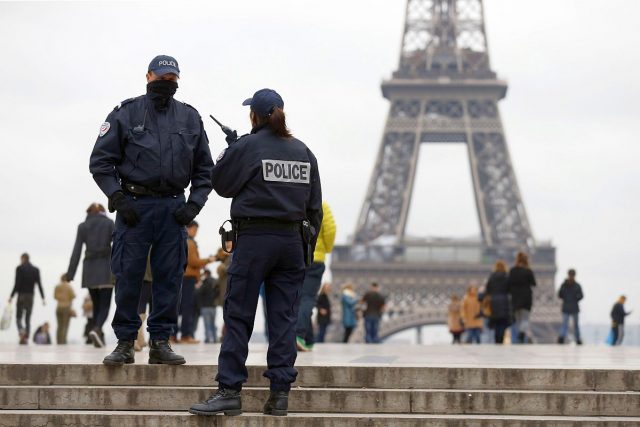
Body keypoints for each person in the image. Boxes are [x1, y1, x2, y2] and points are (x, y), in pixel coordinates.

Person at [189, 88, 322, 417]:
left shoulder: (249, 147)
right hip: (292, 243)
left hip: (255, 239)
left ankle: (230, 389)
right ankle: (279, 395)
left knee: (238, 315)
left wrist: (231, 151)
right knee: (284, 319)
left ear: (255, 116)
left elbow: (221, 185)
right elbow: (315, 209)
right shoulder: (304, 152)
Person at [89, 55, 214, 366]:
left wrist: (193, 206)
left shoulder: (190, 118)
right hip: (134, 207)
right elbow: (101, 162)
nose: (166, 83)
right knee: (128, 275)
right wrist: (117, 198)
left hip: (174, 208)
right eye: (161, 77)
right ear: (148, 76)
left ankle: (161, 341)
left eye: (171, 79)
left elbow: (205, 170)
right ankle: (125, 342)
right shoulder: (125, 113)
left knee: (170, 278)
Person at [66, 203, 114, 348]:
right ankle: (97, 329)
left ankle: (99, 334)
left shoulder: (83, 226)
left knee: (97, 305)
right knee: (105, 306)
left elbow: (77, 249)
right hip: (107, 268)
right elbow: (118, 244)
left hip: (90, 269)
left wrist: (70, 273)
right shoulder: (109, 223)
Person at [296, 201, 336, 351]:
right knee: (307, 298)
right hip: (315, 257)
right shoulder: (321, 204)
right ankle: (299, 334)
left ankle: (307, 339)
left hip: (294, 256)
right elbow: (330, 230)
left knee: (298, 297)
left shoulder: (292, 201)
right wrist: (326, 248)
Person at [179, 221, 216, 344]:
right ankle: (185, 335)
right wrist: (208, 260)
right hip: (188, 278)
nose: (196, 232)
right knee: (187, 307)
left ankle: (175, 335)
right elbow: (193, 262)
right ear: (189, 229)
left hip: (186, 277)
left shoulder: (187, 241)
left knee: (181, 307)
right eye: (195, 229)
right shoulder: (189, 242)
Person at [8, 253, 45, 345]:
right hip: (30, 296)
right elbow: (39, 284)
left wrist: (11, 296)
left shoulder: (19, 268)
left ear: (23, 258)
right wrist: (43, 297)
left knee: (18, 317)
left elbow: (17, 284)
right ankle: (27, 335)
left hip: (21, 295)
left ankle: (21, 331)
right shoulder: (35, 270)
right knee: (28, 318)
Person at [507, 251, 536, 344]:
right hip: (526, 298)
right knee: (525, 318)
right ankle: (522, 333)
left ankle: (517, 338)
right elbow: (534, 283)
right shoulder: (528, 271)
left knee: (518, 319)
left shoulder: (512, 271)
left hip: (515, 298)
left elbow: (508, 284)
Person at [485, 260, 511, 344]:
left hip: (494, 301)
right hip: (504, 300)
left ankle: (497, 339)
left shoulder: (492, 277)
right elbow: (509, 289)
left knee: (496, 321)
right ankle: (501, 339)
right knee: (502, 322)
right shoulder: (506, 277)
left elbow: (488, 289)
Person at [557, 269, 584, 345]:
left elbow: (559, 295)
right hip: (574, 306)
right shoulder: (577, 285)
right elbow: (581, 296)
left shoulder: (564, 285)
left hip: (566, 306)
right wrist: (576, 298)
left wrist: (565, 297)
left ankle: (562, 338)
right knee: (575, 325)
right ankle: (577, 339)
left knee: (565, 324)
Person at [135, 254, 153, 352]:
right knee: (143, 309)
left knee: (142, 308)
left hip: (144, 274)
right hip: (148, 276)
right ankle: (138, 339)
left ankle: (140, 339)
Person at [197, 269, 220, 343]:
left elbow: (199, 292)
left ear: (206, 274)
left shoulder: (205, 282)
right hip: (213, 306)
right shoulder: (215, 281)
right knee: (213, 324)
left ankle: (208, 339)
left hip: (205, 306)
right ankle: (215, 338)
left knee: (207, 324)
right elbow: (218, 292)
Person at [54, 274, 76, 344]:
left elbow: (55, 296)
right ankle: (63, 341)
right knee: (65, 325)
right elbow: (73, 296)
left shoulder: (57, 286)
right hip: (66, 307)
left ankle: (58, 341)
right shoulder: (68, 286)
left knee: (59, 325)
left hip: (59, 307)